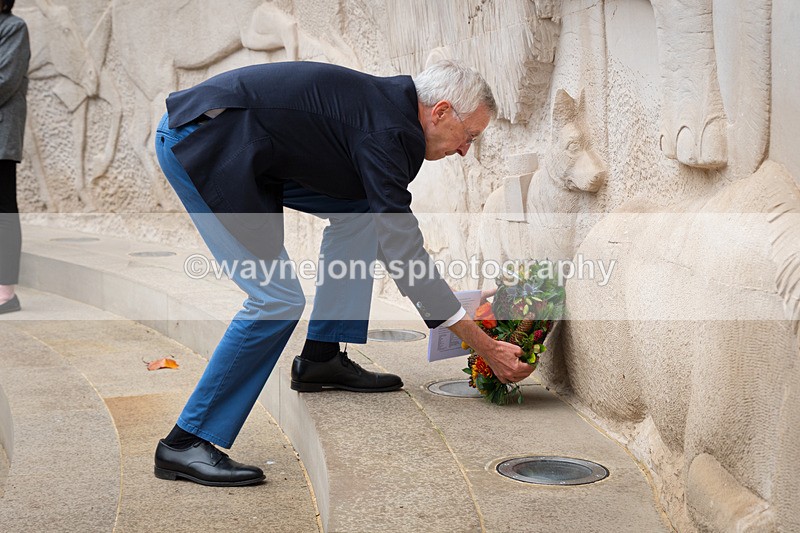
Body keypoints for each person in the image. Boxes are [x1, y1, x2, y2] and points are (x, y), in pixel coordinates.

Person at [153, 59, 534, 486]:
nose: (466, 150)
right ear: (441, 112)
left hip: (244, 143)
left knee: (360, 213)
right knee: (276, 299)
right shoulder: (389, 131)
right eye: (471, 136)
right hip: (202, 144)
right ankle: (185, 441)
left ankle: (321, 359)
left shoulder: (392, 113)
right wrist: (484, 344)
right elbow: (404, 251)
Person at [0, 0, 29, 315]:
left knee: (3, 208)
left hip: (1, 134)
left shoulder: (14, 28)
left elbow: (5, 81)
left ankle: (6, 293)